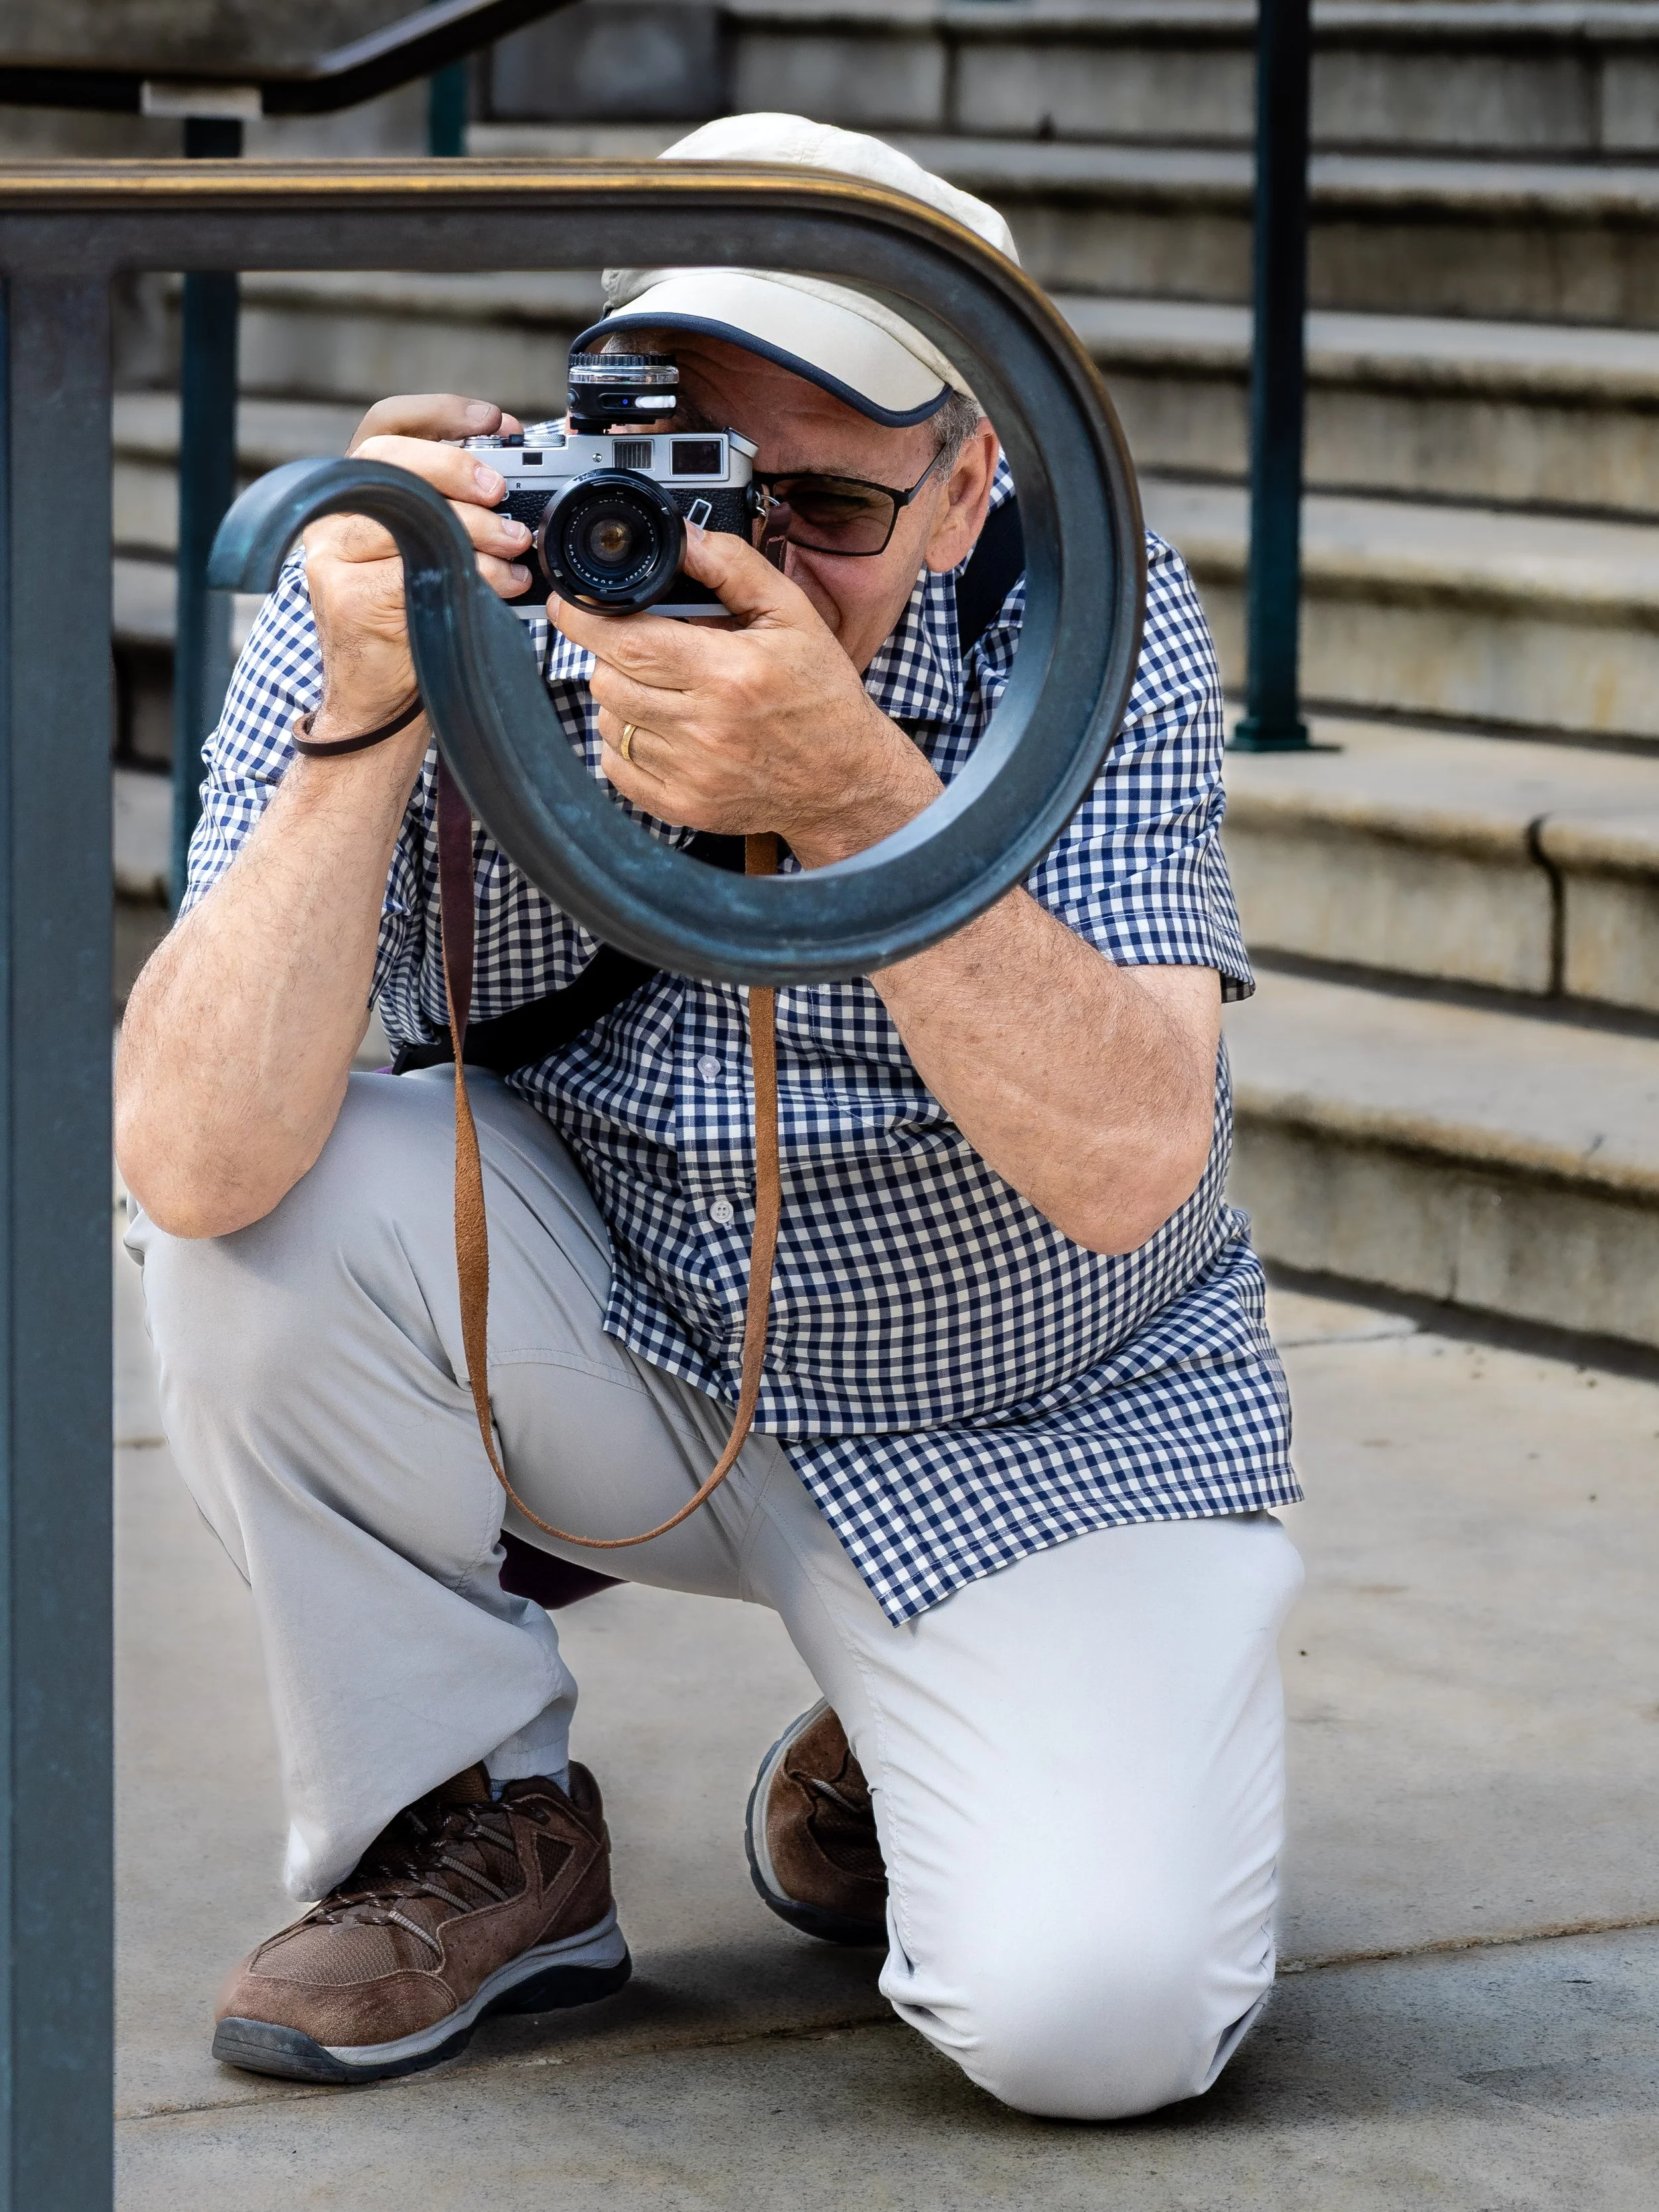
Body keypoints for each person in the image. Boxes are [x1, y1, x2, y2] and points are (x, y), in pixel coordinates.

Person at [116, 113, 1301, 2118]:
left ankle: (916, 1723)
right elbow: (190, 1156)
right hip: (625, 1340)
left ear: (969, 484)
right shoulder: (442, 574)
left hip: (1034, 1411)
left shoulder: (1083, 626)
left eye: (826, 502)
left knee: (1092, 2023)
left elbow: (1128, 1163)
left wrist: (858, 798)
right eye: (692, 475)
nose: (738, 551)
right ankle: (470, 1813)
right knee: (284, 1215)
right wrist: (363, 723)